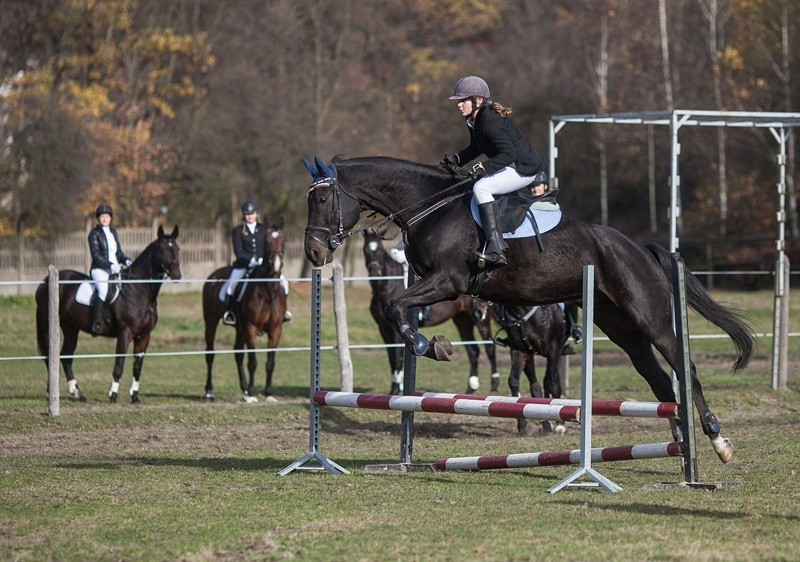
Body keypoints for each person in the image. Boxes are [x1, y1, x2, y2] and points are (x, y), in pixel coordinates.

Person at [441, 75, 546, 267]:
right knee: (475, 184)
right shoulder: (475, 119)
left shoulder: (490, 121)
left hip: (524, 169)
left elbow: (508, 154)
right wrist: (457, 159)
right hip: (512, 163)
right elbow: (476, 148)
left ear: (477, 100)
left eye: (462, 100)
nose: (459, 105)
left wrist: (483, 168)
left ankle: (496, 248)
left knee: (481, 188)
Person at [529, 174, 583, 345]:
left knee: (570, 291)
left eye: (538, 186)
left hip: (552, 254)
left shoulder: (552, 206)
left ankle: (574, 326)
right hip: (532, 254)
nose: (535, 189)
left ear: (544, 187)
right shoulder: (525, 205)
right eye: (533, 187)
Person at [219, 200, 266, 325]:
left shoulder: (263, 229)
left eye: (252, 213)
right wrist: (249, 261)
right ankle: (229, 312)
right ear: (243, 215)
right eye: (247, 213)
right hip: (243, 265)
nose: (250, 216)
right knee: (231, 284)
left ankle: (282, 311)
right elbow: (238, 251)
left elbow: (267, 247)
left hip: (262, 266)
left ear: (256, 214)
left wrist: (262, 259)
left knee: (282, 282)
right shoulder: (238, 230)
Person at [88, 204, 131, 335]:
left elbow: (118, 253)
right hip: (99, 269)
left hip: (115, 268)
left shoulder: (113, 232)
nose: (105, 219)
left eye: (107, 216)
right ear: (98, 218)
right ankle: (96, 323)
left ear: (110, 218)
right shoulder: (94, 234)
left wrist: (126, 260)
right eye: (102, 216)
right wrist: (110, 265)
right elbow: (96, 256)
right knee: (103, 290)